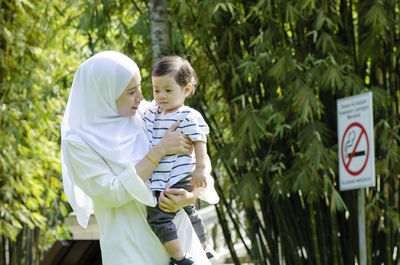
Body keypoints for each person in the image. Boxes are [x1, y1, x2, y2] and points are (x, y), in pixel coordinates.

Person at [61, 51, 212, 265]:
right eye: (132, 91)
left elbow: (194, 157)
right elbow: (112, 192)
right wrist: (158, 151)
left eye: (140, 87)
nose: (141, 97)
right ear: (105, 93)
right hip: (131, 249)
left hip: (180, 243)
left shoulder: (147, 113)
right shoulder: (78, 142)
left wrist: (191, 195)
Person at [144, 56, 219, 265]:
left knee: (158, 216)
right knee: (190, 212)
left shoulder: (187, 115)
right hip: (165, 178)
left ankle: (179, 258)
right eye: (156, 90)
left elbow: (199, 141)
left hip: (179, 177)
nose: (161, 96)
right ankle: (204, 248)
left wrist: (201, 169)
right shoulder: (154, 113)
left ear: (186, 90)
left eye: (168, 90)